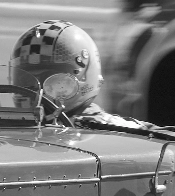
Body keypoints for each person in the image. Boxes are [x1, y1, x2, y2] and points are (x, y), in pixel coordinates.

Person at [8, 20, 137, 128]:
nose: (37, 92)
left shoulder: (111, 131)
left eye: (55, 80)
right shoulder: (10, 128)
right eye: (25, 79)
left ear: (85, 76)